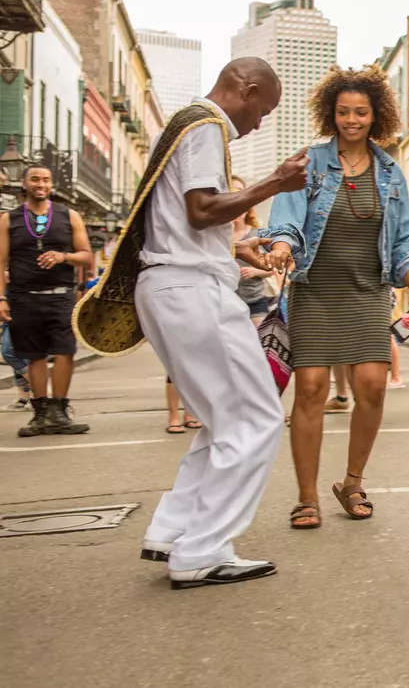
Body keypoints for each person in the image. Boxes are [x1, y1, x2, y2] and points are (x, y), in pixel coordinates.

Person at [88, 58, 298, 587]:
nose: (260, 122)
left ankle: (173, 528)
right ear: (245, 89)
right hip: (191, 292)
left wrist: (234, 250)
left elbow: (187, 222)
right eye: (263, 108)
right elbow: (202, 208)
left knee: (227, 418)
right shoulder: (206, 125)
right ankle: (202, 550)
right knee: (257, 420)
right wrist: (276, 181)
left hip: (171, 288)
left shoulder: (186, 124)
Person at [265, 66, 409, 530]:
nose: (352, 120)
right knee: (312, 387)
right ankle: (306, 497)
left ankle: (352, 482)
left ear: (375, 114)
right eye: (343, 112)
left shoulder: (390, 171)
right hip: (316, 290)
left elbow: (405, 241)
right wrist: (281, 245)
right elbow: (288, 216)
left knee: (373, 386)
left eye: (361, 112)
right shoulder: (311, 162)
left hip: (367, 290)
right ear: (330, 113)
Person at [0, 164, 93, 437]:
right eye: (35, 179)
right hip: (22, 297)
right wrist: (1, 299)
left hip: (60, 295)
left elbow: (86, 254)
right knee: (34, 355)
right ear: (25, 184)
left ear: (51, 185)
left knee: (66, 351)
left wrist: (64, 257)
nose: (41, 184)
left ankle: (59, 412)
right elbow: (1, 261)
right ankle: (40, 415)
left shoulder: (69, 215)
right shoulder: (9, 219)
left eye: (46, 179)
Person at [231, 175, 277, 325]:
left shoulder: (258, 234)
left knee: (259, 345)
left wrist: (255, 272)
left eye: (238, 191)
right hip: (226, 303)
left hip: (254, 302)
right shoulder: (217, 236)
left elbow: (274, 268)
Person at [1, 323, 32, 411]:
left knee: (9, 353)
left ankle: (41, 391)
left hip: (22, 314)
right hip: (10, 315)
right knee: (19, 353)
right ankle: (24, 399)